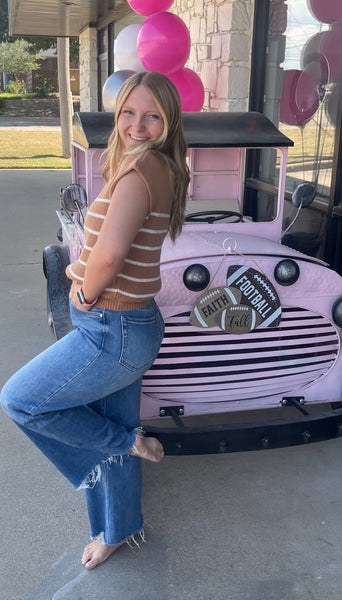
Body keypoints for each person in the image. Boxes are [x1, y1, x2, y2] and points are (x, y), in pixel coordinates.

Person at [0, 71, 190, 570]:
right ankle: (117, 528)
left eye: (152, 115)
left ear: (168, 120)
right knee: (107, 422)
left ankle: (132, 445)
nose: (138, 124)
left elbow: (109, 258)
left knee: (21, 400)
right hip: (131, 325)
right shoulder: (161, 167)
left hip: (112, 329)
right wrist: (77, 269)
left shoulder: (138, 172)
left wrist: (80, 291)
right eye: (129, 112)